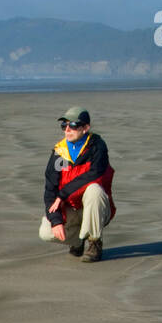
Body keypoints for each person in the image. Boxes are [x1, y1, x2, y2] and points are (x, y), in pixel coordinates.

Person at [41, 106, 116, 263]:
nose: (67, 130)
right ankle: (78, 241)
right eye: (64, 126)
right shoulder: (59, 154)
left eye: (73, 125)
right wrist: (56, 221)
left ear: (85, 128)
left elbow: (94, 175)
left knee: (94, 190)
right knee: (46, 232)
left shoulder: (97, 147)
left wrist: (62, 195)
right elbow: (50, 191)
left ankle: (94, 242)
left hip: (97, 209)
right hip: (72, 209)